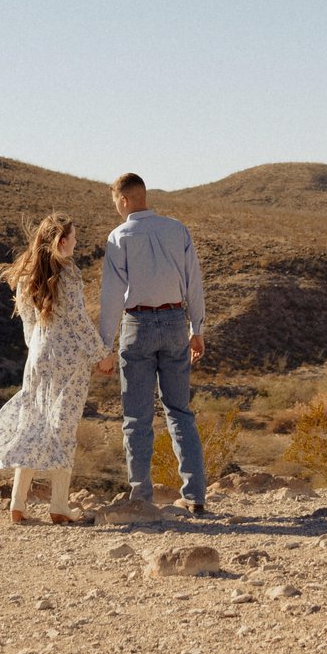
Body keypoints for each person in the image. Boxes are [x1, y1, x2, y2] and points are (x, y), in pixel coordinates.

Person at [95, 172, 207, 512]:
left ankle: (140, 497)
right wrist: (197, 328)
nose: (115, 205)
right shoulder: (177, 229)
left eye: (115, 199)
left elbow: (112, 295)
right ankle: (195, 496)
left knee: (137, 417)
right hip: (175, 322)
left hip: (137, 325)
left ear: (126, 199)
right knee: (180, 412)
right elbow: (194, 281)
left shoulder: (120, 236)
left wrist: (105, 346)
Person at [0, 212, 102, 524]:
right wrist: (101, 353)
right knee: (63, 429)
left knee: (33, 424)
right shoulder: (68, 273)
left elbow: (28, 325)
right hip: (69, 359)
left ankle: (17, 504)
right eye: (74, 238)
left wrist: (37, 350)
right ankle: (59, 506)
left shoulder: (26, 275)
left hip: (38, 354)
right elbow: (78, 320)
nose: (76, 244)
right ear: (62, 242)